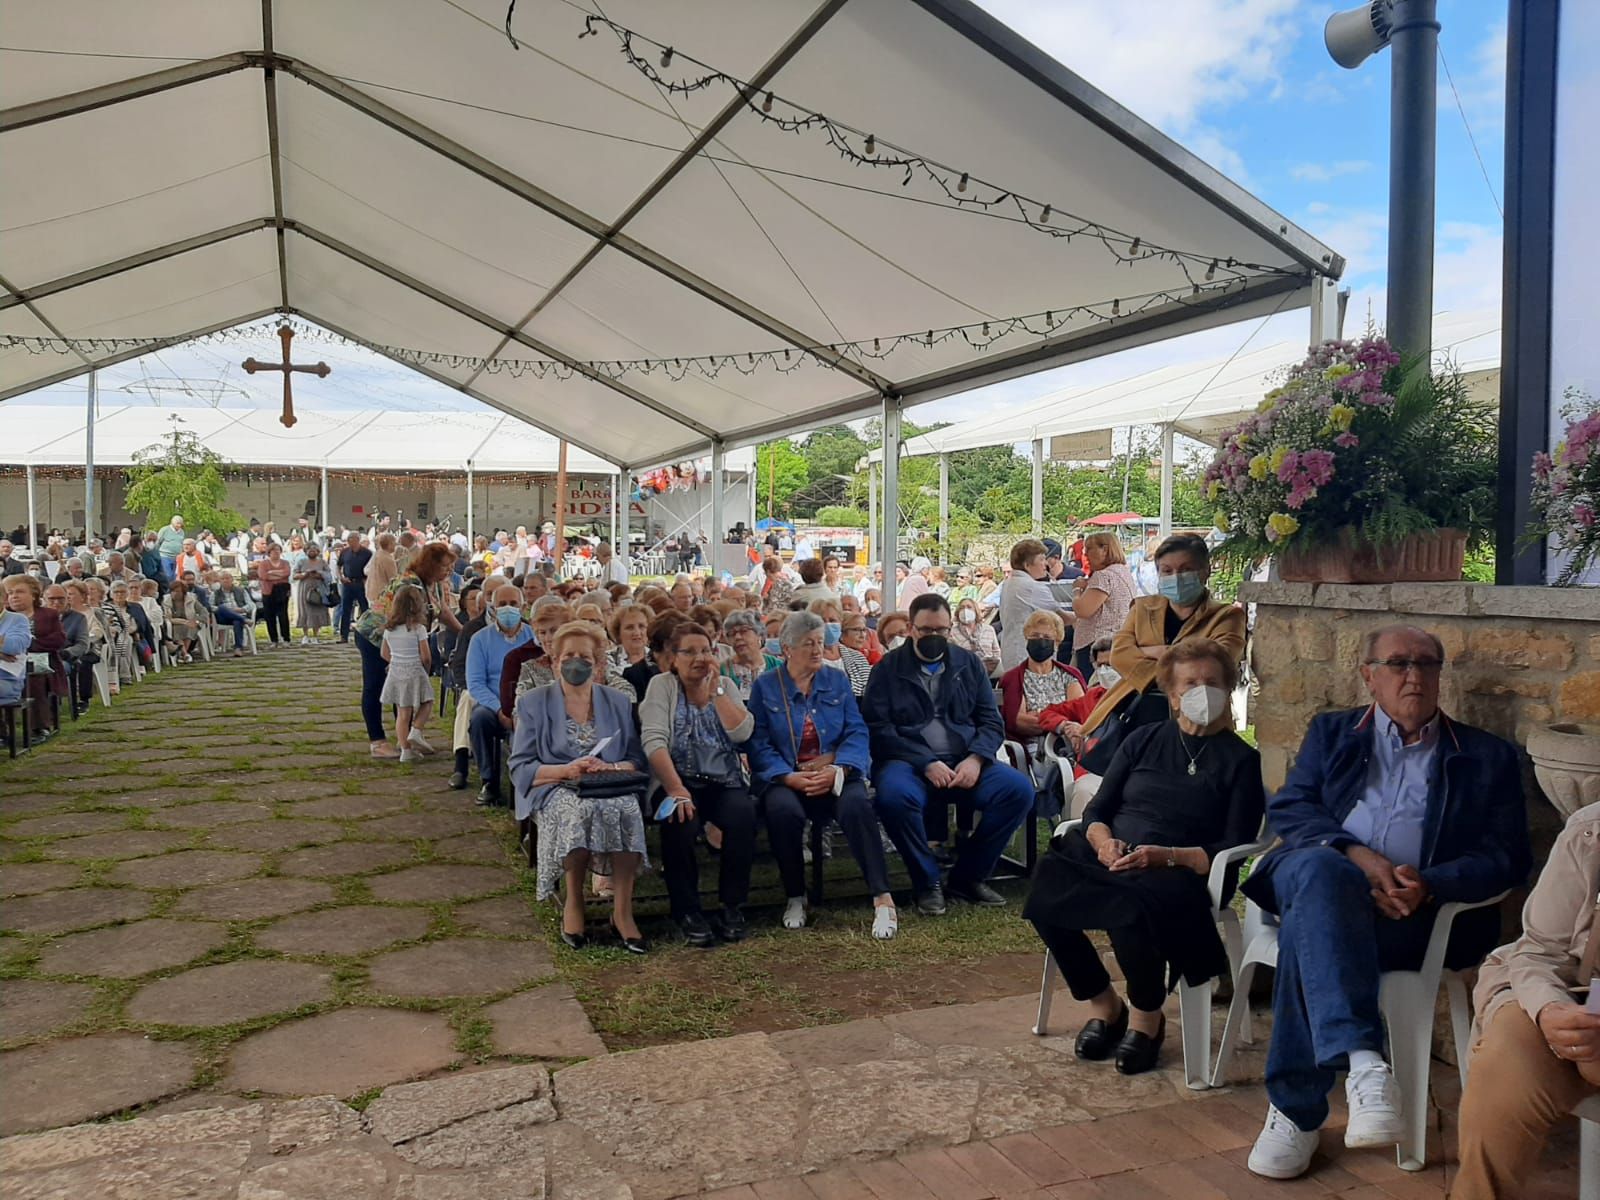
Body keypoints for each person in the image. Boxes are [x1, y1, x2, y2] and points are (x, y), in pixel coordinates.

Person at [1241, 625, 1531, 1181]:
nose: (1414, 676)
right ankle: (1366, 1062)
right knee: (1325, 871)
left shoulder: (1484, 755)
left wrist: (1431, 883)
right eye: (1398, 664)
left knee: (1312, 929)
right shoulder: (1333, 733)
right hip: (1322, 876)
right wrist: (1358, 857)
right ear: (1369, 676)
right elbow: (1293, 808)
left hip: (1414, 913)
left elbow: (1507, 856)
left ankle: (1298, 1110)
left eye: (1427, 664)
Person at [1023, 639, 1265, 1075]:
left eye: (1212, 682)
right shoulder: (1143, 739)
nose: (1201, 691)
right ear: (1172, 694)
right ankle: (1104, 1003)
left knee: (1133, 904)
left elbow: (1233, 844)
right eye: (1191, 683)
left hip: (1185, 870)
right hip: (1114, 851)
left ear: (1228, 690)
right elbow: (1097, 810)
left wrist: (1165, 856)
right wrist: (1103, 842)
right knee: (1049, 884)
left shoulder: (1242, 760)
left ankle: (1146, 1019)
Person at [1455, 803, 1600, 1198]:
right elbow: (1539, 950)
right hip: (1576, 995)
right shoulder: (1591, 832)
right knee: (1508, 1055)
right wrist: (1550, 1011)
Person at [862, 593, 1034, 916]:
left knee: (1018, 790)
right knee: (894, 798)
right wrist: (925, 762)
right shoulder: (888, 669)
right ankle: (927, 882)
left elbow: (990, 721)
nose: (935, 637)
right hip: (908, 764)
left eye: (941, 630)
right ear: (910, 628)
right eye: (927, 630)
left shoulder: (967, 664)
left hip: (964, 760)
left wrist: (977, 758)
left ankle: (968, 876)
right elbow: (879, 729)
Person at [748, 610, 897, 938]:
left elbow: (856, 730)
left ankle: (882, 898)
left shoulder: (836, 679)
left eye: (820, 642)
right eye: (808, 644)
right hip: (788, 776)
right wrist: (786, 776)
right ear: (787, 649)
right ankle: (795, 896)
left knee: (857, 806)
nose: (817, 650)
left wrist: (839, 767)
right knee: (782, 810)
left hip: (835, 772)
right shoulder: (766, 686)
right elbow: (758, 742)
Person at [510, 621, 650, 952]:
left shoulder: (616, 701)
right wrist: (565, 770)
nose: (577, 662)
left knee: (628, 808)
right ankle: (574, 901)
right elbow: (520, 766)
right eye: (569, 655)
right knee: (578, 809)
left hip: (608, 784)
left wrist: (611, 766)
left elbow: (636, 758)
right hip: (555, 785)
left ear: (598, 662)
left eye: (585, 656)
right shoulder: (533, 703)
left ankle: (622, 911)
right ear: (555, 661)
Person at [642, 623, 758, 946]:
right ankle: (687, 910)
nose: (700, 658)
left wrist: (717, 693)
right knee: (680, 819)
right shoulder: (661, 686)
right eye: (689, 651)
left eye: (705, 650)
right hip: (676, 779)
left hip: (723, 780)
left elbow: (743, 733)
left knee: (742, 814)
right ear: (672, 659)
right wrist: (677, 788)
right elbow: (654, 742)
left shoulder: (724, 686)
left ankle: (732, 906)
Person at [1081, 533, 1244, 739]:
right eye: (1167, 571)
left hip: (1198, 720)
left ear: (1205, 572)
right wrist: (1177, 661)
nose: (1176, 577)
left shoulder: (1227, 616)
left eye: (1186, 570)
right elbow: (1119, 656)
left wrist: (1144, 652)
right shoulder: (1142, 608)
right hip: (1134, 715)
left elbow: (1218, 663)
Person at [356, 543, 461, 762]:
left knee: (405, 691)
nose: (448, 571)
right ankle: (378, 742)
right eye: (445, 566)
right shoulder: (410, 583)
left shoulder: (435, 584)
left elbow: (442, 611)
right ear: (430, 565)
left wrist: (464, 632)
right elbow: (404, 617)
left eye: (451, 567)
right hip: (377, 636)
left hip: (403, 639)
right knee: (376, 687)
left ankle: (406, 741)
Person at [464, 583, 534, 806]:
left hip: (528, 703)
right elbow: (475, 683)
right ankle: (489, 781)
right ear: (492, 607)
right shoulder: (480, 639)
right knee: (479, 719)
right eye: (502, 604)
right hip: (493, 705)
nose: (508, 608)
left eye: (513, 604)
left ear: (522, 606)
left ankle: (529, 781)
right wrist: (500, 709)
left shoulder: (534, 637)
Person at [999, 610, 1084, 743]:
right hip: (1033, 746)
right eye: (1035, 636)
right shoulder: (1013, 678)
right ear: (1027, 638)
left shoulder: (1069, 675)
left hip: (1070, 741)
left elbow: (1080, 713)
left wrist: (1044, 718)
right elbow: (1018, 722)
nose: (1041, 641)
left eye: (1047, 638)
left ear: (1056, 643)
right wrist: (1060, 719)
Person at [998, 538, 1074, 672]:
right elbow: (1061, 618)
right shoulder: (1032, 587)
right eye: (1042, 559)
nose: (1046, 564)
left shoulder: (1008, 583)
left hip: (1011, 650)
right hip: (1029, 653)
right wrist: (1087, 612)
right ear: (1027, 565)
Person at [1069, 532, 1137, 680]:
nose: (1085, 554)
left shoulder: (1104, 576)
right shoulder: (1123, 572)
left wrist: (1077, 590)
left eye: (1089, 549)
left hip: (1095, 645)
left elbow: (1082, 610)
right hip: (1117, 640)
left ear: (1105, 550)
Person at [380, 586, 436, 764]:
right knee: (427, 701)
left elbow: (383, 653)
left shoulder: (389, 629)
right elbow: (426, 655)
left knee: (402, 712)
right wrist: (426, 669)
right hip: (415, 669)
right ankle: (417, 730)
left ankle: (405, 750)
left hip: (396, 670)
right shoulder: (418, 629)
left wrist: (394, 661)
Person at [4, 574, 67, 725]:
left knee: (33, 678)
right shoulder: (5, 617)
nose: (14, 596)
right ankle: (3, 732)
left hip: (42, 662)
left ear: (33, 595)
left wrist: (24, 645)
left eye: (19, 592)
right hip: (6, 662)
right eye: (10, 593)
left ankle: (39, 726)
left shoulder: (48, 614)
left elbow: (58, 640)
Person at [809, 597, 870, 696]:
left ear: (840, 623)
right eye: (822, 621)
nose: (827, 624)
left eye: (832, 620)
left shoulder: (858, 658)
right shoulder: (803, 660)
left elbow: (869, 694)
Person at [720, 609, 779, 702]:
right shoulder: (722, 671)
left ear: (759, 634)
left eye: (744, 631)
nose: (737, 637)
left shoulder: (778, 666)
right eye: (731, 634)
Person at [336, 532, 373, 643]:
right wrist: (341, 577)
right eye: (349, 541)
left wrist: (366, 581)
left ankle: (367, 634)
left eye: (353, 541)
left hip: (361, 583)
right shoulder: (345, 552)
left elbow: (371, 568)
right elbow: (338, 565)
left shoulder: (367, 553)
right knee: (345, 609)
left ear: (358, 540)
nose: (351, 544)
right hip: (348, 583)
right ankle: (344, 635)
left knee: (365, 609)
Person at [950, 594, 1000, 676]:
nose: (965, 610)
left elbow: (996, 652)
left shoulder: (988, 629)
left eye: (969, 607)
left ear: (975, 610)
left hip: (988, 673)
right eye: (962, 608)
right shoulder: (952, 632)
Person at [293, 543, 333, 644]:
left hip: (319, 588)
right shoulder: (301, 561)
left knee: (318, 611)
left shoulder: (322, 562)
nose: (312, 551)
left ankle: (315, 635)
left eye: (314, 550)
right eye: (310, 550)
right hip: (305, 588)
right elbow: (294, 575)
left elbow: (329, 575)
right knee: (305, 610)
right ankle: (305, 635)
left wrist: (320, 574)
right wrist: (304, 574)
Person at [212, 571, 253, 656]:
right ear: (219, 581)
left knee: (237, 621)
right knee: (222, 607)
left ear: (232, 579)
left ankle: (238, 648)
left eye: (227, 578)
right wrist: (226, 610)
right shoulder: (215, 593)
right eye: (222, 579)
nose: (225, 581)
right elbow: (210, 606)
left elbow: (251, 605)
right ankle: (245, 620)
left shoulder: (241, 590)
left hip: (239, 614)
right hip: (223, 618)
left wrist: (242, 609)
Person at [162, 579, 203, 662]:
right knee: (177, 629)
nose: (175, 593)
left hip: (190, 622)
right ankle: (185, 654)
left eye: (178, 591)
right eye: (173, 591)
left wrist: (197, 621)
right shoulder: (166, 601)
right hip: (174, 623)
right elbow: (167, 618)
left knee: (189, 627)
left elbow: (203, 611)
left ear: (183, 592)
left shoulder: (191, 599)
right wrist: (183, 622)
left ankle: (183, 654)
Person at [154, 515, 185, 582]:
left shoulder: (182, 532)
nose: (179, 525)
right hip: (165, 556)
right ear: (172, 523)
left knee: (175, 575)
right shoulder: (164, 530)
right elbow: (158, 542)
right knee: (168, 575)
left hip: (177, 556)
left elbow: (181, 543)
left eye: (180, 524)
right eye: (177, 523)